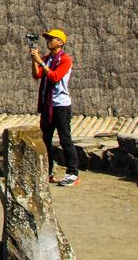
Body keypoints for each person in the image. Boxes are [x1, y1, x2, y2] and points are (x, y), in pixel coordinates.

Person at [31, 29, 79, 187]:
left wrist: (40, 61)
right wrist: (34, 60)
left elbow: (54, 77)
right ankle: (48, 171)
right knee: (45, 140)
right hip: (47, 104)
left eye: (52, 39)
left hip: (61, 105)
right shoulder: (46, 59)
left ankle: (72, 172)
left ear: (60, 42)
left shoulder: (65, 60)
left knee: (65, 139)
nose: (48, 41)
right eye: (48, 38)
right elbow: (36, 75)